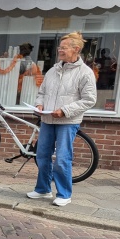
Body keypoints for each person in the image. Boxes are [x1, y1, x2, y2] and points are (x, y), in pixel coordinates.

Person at [28, 32, 96, 207]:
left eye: (64, 47)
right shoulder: (53, 70)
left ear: (76, 49)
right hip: (47, 120)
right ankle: (43, 189)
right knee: (42, 156)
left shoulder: (85, 73)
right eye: (60, 47)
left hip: (67, 121)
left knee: (62, 158)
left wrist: (65, 111)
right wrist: (40, 105)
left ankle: (64, 194)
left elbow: (89, 100)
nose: (60, 50)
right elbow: (42, 93)